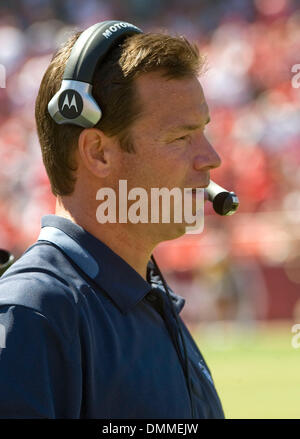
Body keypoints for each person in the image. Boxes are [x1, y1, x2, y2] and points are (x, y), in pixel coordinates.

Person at [0, 20, 224, 419]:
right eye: (181, 137)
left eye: (203, 132)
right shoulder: (32, 313)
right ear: (99, 153)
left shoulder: (146, 297)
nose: (211, 158)